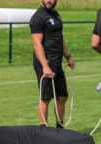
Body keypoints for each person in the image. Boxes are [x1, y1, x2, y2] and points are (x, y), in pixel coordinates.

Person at [30, 0, 75, 128]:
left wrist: (68, 56)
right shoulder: (38, 17)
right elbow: (37, 44)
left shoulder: (56, 14)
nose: (49, 0)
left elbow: (59, 38)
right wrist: (45, 66)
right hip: (46, 64)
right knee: (46, 98)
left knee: (63, 97)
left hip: (57, 63)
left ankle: (59, 129)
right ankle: (43, 130)